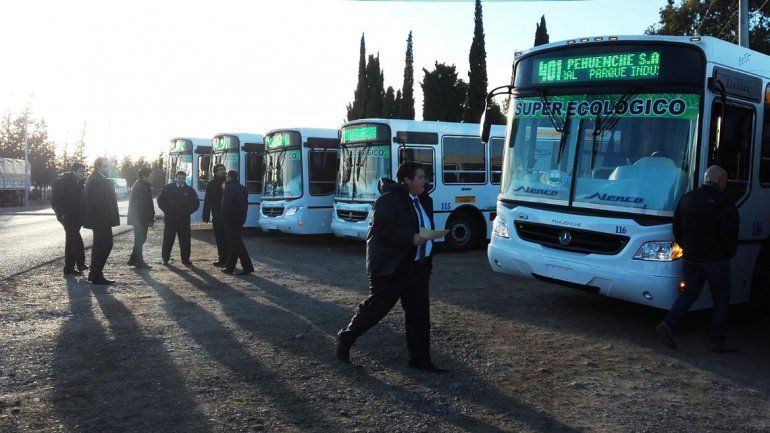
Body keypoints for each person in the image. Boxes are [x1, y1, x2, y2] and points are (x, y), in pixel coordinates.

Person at [336, 161, 447, 373]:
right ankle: (346, 338)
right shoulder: (388, 201)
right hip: (392, 267)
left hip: (417, 267)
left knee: (419, 315)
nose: (426, 181)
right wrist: (410, 237)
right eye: (421, 177)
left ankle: (420, 360)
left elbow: (423, 227)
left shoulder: (424, 200)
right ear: (407, 180)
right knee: (375, 310)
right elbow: (382, 229)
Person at [656, 165, 740, 353]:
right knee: (720, 298)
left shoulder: (687, 198)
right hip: (716, 260)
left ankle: (668, 324)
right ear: (719, 180)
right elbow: (730, 232)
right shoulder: (724, 202)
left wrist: (687, 247)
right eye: (725, 181)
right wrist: (727, 253)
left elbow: (676, 227)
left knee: (689, 294)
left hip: (691, 258)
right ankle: (717, 341)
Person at [80, 157, 120, 285]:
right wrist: (105, 217)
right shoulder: (96, 180)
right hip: (101, 220)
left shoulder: (98, 178)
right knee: (103, 245)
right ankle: (96, 274)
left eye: (108, 166)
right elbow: (97, 202)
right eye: (105, 166)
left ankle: (95, 273)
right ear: (98, 167)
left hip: (102, 219)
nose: (107, 168)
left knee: (102, 245)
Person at [51, 162, 88, 275]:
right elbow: (55, 200)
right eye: (81, 172)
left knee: (72, 240)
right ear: (74, 171)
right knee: (74, 239)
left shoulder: (79, 182)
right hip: (67, 216)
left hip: (76, 216)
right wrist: (61, 214)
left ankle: (72, 267)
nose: (83, 174)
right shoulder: (63, 182)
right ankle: (75, 266)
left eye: (84, 171)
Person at [157, 171, 200, 265]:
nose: (181, 180)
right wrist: (167, 211)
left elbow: (196, 204)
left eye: (183, 178)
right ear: (175, 178)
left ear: (185, 179)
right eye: (179, 178)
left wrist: (188, 212)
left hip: (184, 220)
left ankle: (185, 260)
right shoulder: (167, 188)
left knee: (185, 241)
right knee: (168, 240)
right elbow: (160, 201)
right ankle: (165, 259)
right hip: (170, 220)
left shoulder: (189, 190)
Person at [220, 170, 254, 275]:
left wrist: (223, 218)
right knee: (236, 243)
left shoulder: (229, 188)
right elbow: (244, 206)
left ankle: (247, 267)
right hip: (239, 219)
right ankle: (230, 267)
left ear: (229, 177)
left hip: (230, 220)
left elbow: (226, 206)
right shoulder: (242, 188)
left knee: (236, 244)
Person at [127, 167, 155, 268]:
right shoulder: (141, 187)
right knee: (140, 239)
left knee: (140, 239)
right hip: (140, 219)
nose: (152, 177)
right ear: (144, 176)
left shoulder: (141, 185)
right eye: (151, 175)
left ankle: (133, 259)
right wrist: (149, 220)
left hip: (138, 219)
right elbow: (143, 206)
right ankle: (139, 261)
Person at [202, 163, 228, 266]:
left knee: (229, 238)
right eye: (220, 169)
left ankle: (230, 260)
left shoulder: (229, 182)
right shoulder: (211, 184)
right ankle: (222, 259)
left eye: (224, 169)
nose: (223, 171)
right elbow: (207, 200)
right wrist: (206, 215)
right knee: (219, 238)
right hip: (217, 215)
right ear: (215, 172)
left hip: (229, 215)